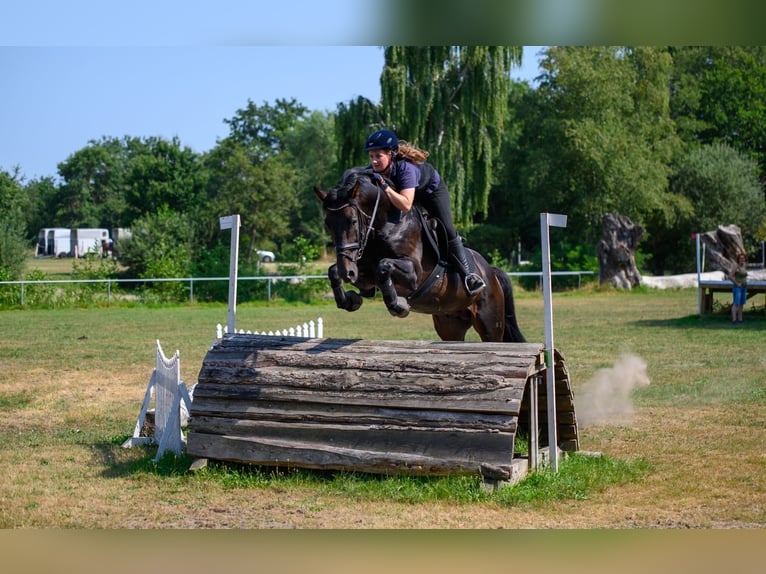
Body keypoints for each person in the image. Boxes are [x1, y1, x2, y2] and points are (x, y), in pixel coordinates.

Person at [364, 129, 486, 295]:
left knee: (447, 229)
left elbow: (406, 205)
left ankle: (469, 276)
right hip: (405, 194)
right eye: (371, 156)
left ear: (391, 154)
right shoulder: (375, 170)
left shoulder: (406, 169)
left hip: (430, 193)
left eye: (378, 156)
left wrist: (385, 187)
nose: (374, 161)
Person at [728, 252, 748, 323]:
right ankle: (734, 319)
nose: (742, 259)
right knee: (736, 303)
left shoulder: (744, 266)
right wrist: (737, 283)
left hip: (744, 287)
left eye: (743, 258)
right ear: (738, 259)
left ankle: (740, 319)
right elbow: (730, 276)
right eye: (740, 258)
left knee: (741, 304)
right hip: (737, 288)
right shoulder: (736, 266)